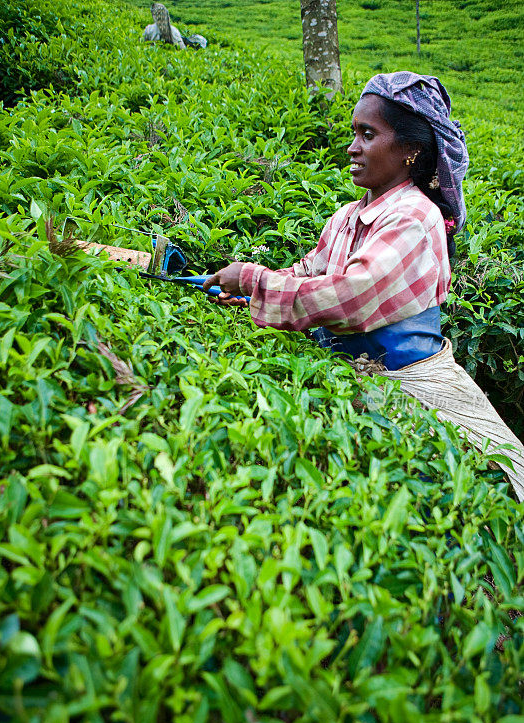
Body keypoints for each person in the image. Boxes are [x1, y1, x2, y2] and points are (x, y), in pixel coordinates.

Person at [203, 71, 524, 501]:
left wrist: (251, 279)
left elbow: (350, 296)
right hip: (346, 378)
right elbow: (306, 275)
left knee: (468, 496)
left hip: (409, 383)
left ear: (410, 150)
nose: (352, 147)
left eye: (368, 134)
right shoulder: (345, 217)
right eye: (354, 133)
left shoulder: (415, 216)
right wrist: (247, 294)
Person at [143, 3, 207, 49]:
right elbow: (182, 49)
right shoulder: (173, 30)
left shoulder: (149, 29)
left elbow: (144, 46)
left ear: (154, 16)